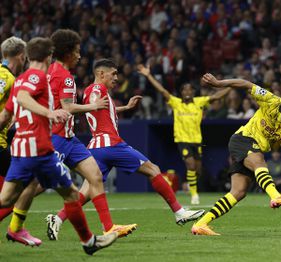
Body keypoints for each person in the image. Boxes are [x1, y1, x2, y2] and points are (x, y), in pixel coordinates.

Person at [0, 37, 117, 255]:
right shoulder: (38, 76)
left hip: (21, 148)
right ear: (48, 56)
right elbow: (25, 98)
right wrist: (49, 112)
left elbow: (7, 114)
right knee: (71, 194)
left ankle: (16, 228)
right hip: (40, 150)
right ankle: (89, 242)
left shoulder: (20, 79)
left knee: (7, 198)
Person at [83, 59, 205, 225]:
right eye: (113, 74)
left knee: (88, 190)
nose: (116, 78)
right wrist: (94, 103)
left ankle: (59, 218)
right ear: (101, 73)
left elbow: (101, 109)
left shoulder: (93, 92)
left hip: (96, 146)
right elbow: (94, 102)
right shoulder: (98, 88)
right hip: (111, 143)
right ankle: (179, 212)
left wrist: (124, 108)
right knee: (153, 170)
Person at [45, 29, 137, 241]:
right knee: (34, 187)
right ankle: (16, 221)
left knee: (95, 177)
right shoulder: (66, 77)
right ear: (68, 52)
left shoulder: (50, 71)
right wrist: (92, 105)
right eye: (77, 51)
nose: (80, 55)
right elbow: (67, 107)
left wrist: (119, 108)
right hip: (58, 137)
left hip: (69, 138)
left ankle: (109, 227)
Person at [191, 73, 281, 236]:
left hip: (255, 147)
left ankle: (201, 224)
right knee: (259, 162)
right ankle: (276, 196)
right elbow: (245, 83)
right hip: (243, 139)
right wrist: (219, 83)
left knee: (238, 192)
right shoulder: (271, 100)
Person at [137, 64, 230, 205]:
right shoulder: (176, 103)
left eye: (190, 89)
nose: (187, 91)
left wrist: (233, 86)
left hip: (197, 140)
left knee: (197, 170)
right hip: (182, 140)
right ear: (181, 92)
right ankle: (194, 194)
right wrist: (148, 75)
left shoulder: (199, 102)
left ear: (193, 92)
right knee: (191, 165)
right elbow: (162, 91)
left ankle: (191, 186)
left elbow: (216, 96)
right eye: (184, 89)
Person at [0, 36, 46, 245]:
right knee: (30, 181)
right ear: (21, 56)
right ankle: (16, 229)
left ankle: (16, 228)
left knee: (10, 192)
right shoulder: (6, 77)